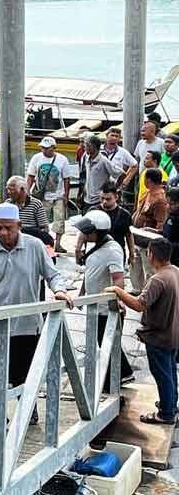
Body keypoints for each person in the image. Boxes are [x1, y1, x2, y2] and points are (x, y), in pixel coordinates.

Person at [0, 203, 73, 428]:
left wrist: (60, 290)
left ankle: (29, 410)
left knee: (24, 373)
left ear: (19, 226)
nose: (3, 233)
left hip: (27, 326)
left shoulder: (35, 246)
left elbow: (53, 275)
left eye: (8, 228)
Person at [106, 238, 179, 424]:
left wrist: (118, 291)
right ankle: (170, 405)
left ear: (151, 255)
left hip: (159, 336)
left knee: (162, 375)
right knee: (170, 371)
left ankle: (166, 414)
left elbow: (139, 305)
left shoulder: (158, 280)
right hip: (173, 333)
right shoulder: (176, 272)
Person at [73, 211, 134, 386]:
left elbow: (118, 279)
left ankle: (112, 380)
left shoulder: (113, 250)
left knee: (107, 342)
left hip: (107, 308)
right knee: (104, 341)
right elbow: (90, 274)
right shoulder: (96, 247)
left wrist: (118, 301)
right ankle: (121, 374)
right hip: (95, 305)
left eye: (87, 232)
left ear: (97, 232)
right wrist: (82, 293)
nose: (84, 235)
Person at [26, 136, 71, 252]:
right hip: (41, 195)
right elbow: (31, 176)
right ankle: (44, 242)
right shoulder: (36, 158)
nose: (44, 150)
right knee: (42, 221)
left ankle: (58, 244)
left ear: (54, 148)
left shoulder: (63, 160)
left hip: (58, 195)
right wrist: (27, 192)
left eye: (47, 148)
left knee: (59, 221)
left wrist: (66, 195)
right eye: (43, 148)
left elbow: (66, 178)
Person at [133, 168, 169, 293]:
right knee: (134, 264)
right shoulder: (148, 193)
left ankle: (149, 292)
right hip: (137, 236)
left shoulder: (160, 199)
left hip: (148, 239)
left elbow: (161, 223)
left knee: (148, 268)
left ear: (148, 180)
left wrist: (151, 231)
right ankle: (137, 289)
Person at [5, 175, 52, 247]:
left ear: (22, 189)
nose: (9, 192)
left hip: (31, 242)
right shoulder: (7, 204)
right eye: (7, 189)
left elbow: (44, 229)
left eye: (11, 189)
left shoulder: (36, 204)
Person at [97, 182, 136, 266]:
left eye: (108, 199)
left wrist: (132, 254)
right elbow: (84, 233)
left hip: (117, 253)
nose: (104, 202)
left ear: (116, 197)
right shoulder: (94, 211)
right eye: (102, 198)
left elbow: (129, 235)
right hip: (97, 253)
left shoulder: (124, 215)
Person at [80, 134, 115, 210]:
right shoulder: (86, 157)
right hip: (87, 198)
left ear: (92, 147)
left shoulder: (103, 160)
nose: (84, 147)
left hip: (99, 200)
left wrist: (114, 189)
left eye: (87, 145)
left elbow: (120, 173)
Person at [162, 187, 179, 266]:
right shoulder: (171, 216)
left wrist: (167, 245)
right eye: (167, 203)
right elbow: (168, 233)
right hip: (169, 258)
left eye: (172, 204)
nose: (168, 207)